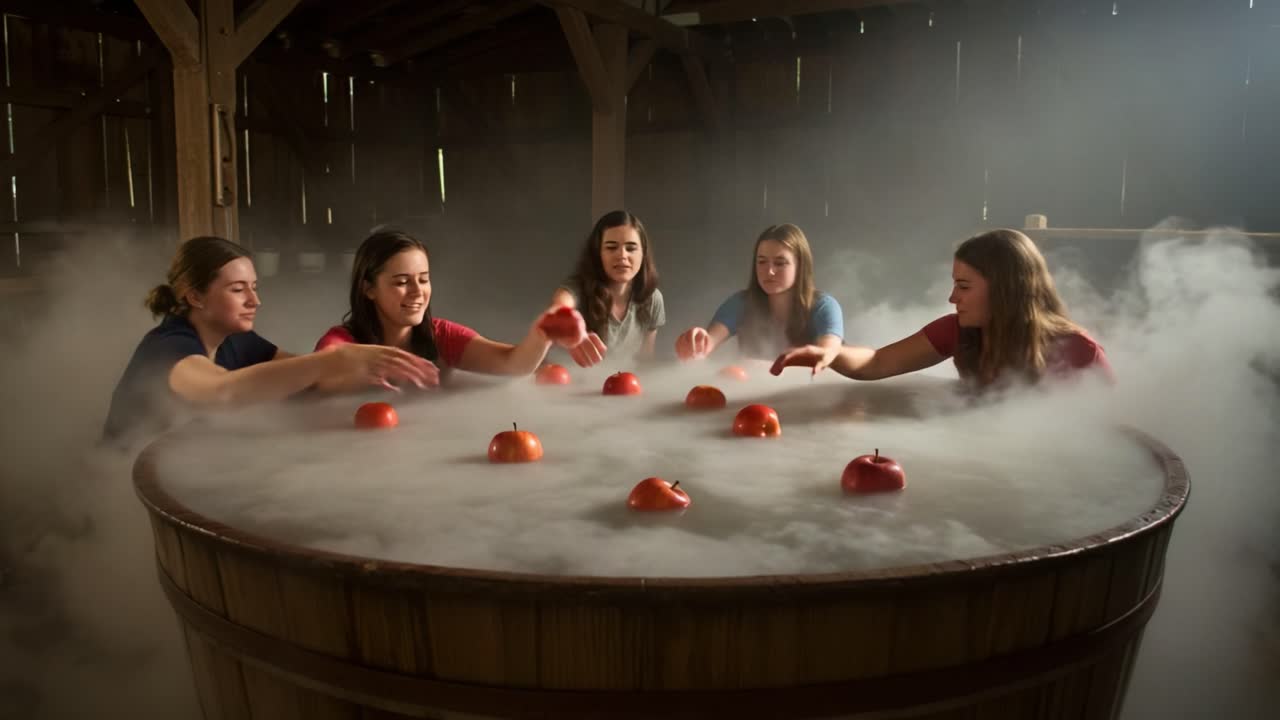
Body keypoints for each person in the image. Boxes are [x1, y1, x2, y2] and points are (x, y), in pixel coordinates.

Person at [103, 236, 436, 447]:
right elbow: (224, 392)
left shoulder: (238, 341)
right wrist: (335, 359)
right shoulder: (168, 347)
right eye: (237, 289)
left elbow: (303, 380)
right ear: (195, 297)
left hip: (193, 461)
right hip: (120, 493)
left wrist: (373, 380)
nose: (254, 301)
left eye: (255, 287)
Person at [771, 228, 1114, 387]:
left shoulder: (1078, 353)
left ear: (1008, 291)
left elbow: (1109, 442)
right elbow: (876, 363)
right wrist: (830, 355)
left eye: (964, 287)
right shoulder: (958, 331)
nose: (952, 298)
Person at [316, 229, 587, 375]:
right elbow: (322, 370)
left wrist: (542, 334)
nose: (417, 292)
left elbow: (511, 363)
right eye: (401, 282)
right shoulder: (342, 341)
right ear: (368, 289)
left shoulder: (440, 336)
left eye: (423, 279)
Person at [675, 223, 844, 365]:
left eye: (780, 263)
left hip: (811, 396)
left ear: (801, 266)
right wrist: (696, 344)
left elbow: (828, 355)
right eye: (762, 262)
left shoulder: (824, 306)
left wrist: (763, 368)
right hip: (751, 396)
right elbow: (708, 342)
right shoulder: (741, 303)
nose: (769, 271)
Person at [549, 210, 663, 366]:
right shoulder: (579, 289)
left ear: (643, 254)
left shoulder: (652, 298)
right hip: (569, 382)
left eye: (631, 248)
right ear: (598, 254)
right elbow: (559, 307)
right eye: (611, 247)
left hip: (625, 385)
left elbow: (646, 360)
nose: (622, 255)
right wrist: (571, 330)